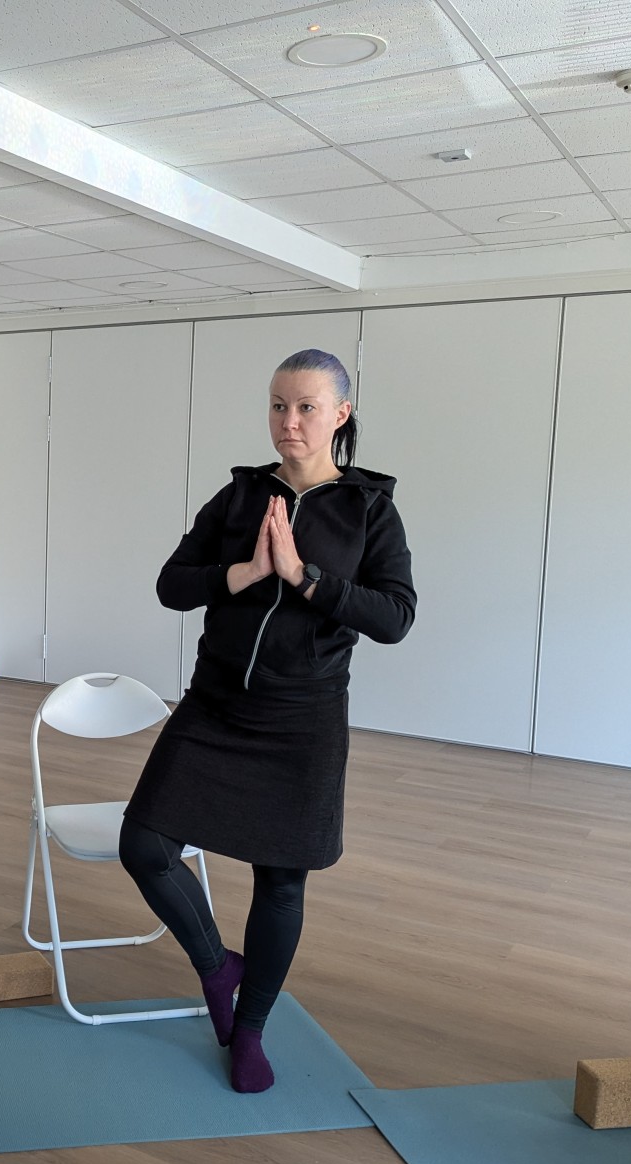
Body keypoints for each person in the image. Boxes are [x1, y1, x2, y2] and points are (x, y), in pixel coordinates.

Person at [120, 348, 415, 1094]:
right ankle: (218, 968)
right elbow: (171, 584)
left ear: (340, 414)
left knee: (281, 882)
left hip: (303, 719)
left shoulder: (369, 509)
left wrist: (304, 577)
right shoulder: (240, 496)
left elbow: (395, 616)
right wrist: (244, 573)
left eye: (307, 407)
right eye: (279, 406)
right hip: (216, 705)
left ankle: (249, 1029)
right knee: (144, 845)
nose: (290, 421)